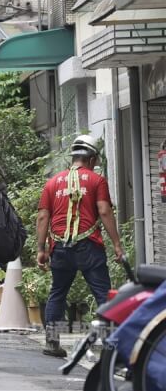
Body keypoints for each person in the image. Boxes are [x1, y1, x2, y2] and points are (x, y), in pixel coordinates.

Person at [37, 134, 124, 358]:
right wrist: (116, 244)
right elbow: (104, 211)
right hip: (89, 246)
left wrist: (41, 249)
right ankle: (110, 348)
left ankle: (52, 343)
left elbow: (42, 217)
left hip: (59, 247)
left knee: (58, 292)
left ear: (73, 156)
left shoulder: (52, 182)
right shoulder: (97, 181)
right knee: (103, 294)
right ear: (92, 158)